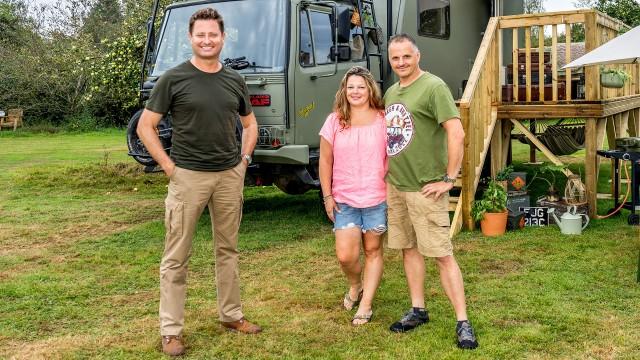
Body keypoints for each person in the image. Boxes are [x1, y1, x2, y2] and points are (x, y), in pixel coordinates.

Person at [136, 8, 259, 357]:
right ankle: (171, 331)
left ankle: (231, 315)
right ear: (191, 38)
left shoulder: (234, 80)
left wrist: (243, 161)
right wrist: (169, 167)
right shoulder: (173, 79)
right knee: (176, 257)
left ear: (223, 38)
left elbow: (249, 124)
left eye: (213, 35)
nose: (207, 40)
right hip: (187, 177)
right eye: (201, 35)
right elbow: (146, 126)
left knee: (228, 251)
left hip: (228, 178)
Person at [383, 34, 478, 349]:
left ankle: (463, 321)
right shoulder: (391, 92)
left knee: (441, 255)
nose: (401, 63)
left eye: (406, 57)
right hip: (397, 186)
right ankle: (418, 309)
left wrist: (449, 179)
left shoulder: (434, 87)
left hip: (427, 190)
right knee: (408, 249)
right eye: (395, 58)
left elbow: (456, 132)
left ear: (417, 55)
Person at [319, 66, 387, 326]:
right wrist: (327, 196)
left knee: (372, 250)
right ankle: (354, 284)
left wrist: (389, 186)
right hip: (344, 199)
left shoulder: (383, 119)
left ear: (370, 89)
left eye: (361, 86)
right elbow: (325, 162)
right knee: (346, 256)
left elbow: (392, 157)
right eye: (351, 87)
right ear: (344, 91)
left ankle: (366, 304)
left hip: (376, 198)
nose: (356, 92)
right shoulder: (334, 121)